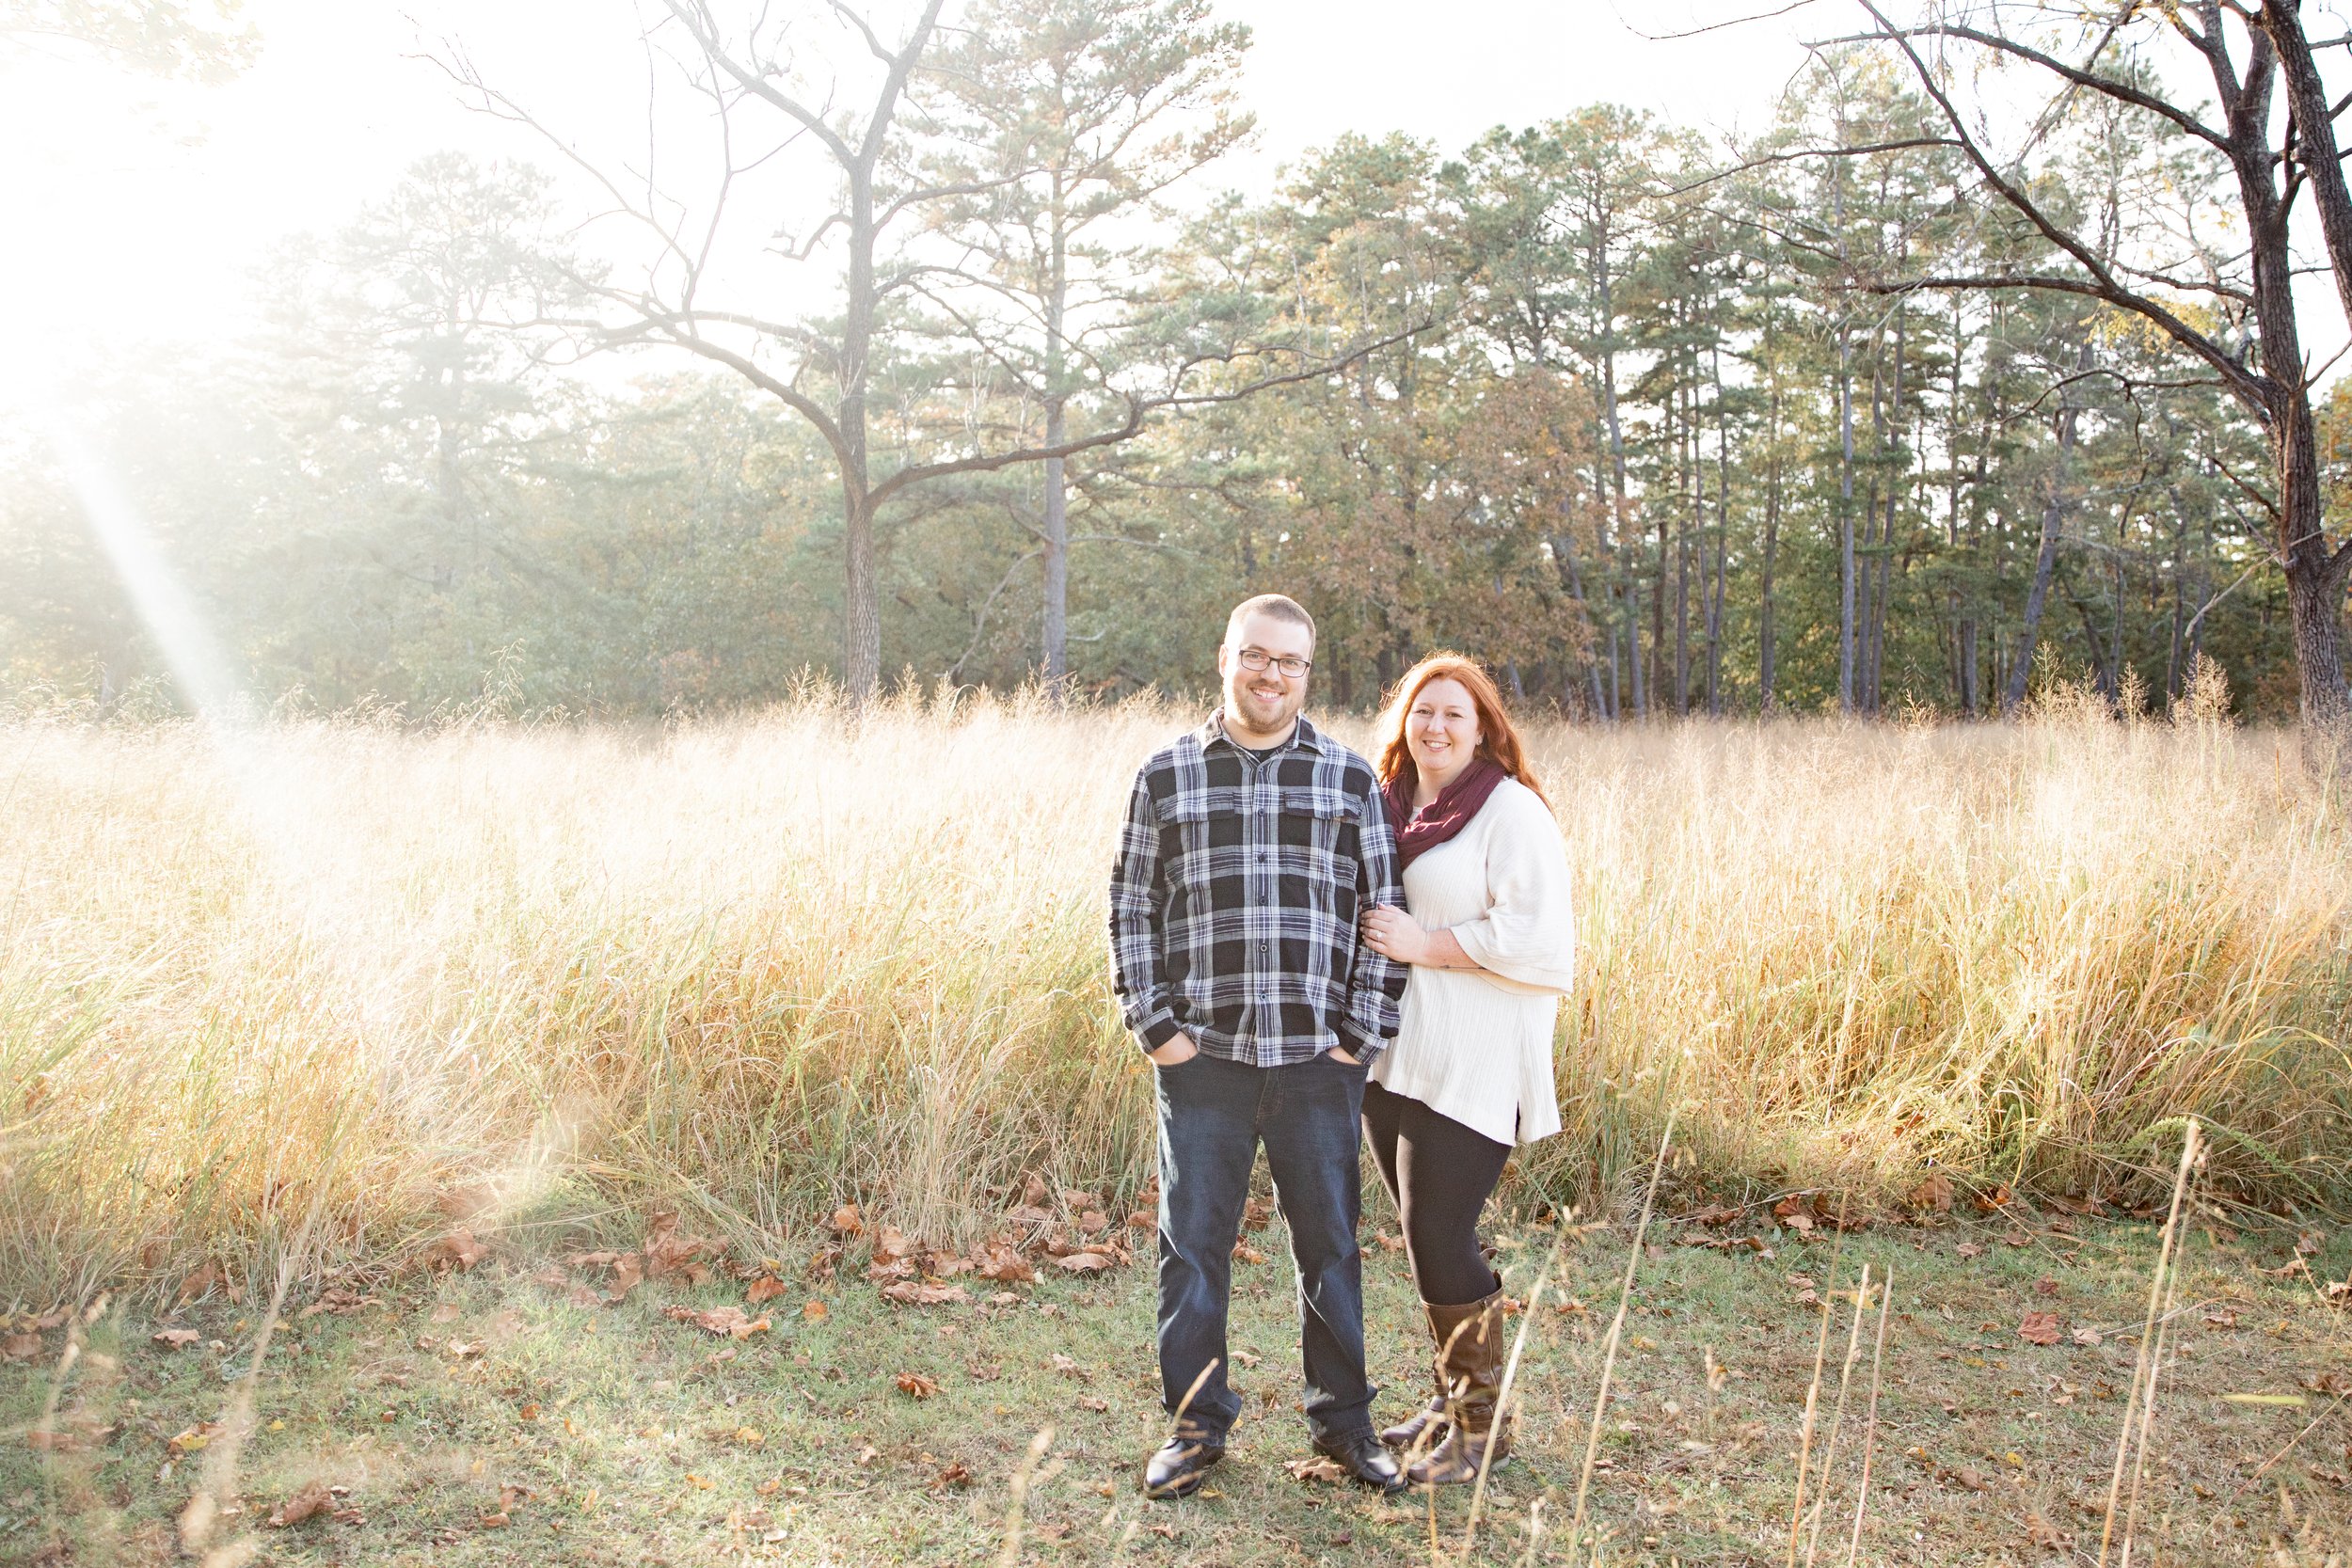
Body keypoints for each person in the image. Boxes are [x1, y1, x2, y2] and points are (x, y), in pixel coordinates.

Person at [1107, 594, 1409, 1499]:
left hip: (1318, 1063)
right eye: (1256, 656)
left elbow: (1382, 918)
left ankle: (1344, 1425)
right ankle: (1197, 1428)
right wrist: (1156, 1031)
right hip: (1204, 1062)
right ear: (1225, 657)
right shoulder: (1166, 775)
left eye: (1290, 662)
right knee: (1191, 1249)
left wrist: (1358, 1036)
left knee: (1331, 1246)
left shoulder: (1349, 778)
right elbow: (1129, 910)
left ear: (1307, 673)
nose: (1271, 674)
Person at [1358, 653, 1575, 1486]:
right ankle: (1455, 1403)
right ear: (1403, 722)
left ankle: (1484, 1430)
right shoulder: (1395, 804)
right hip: (1402, 1048)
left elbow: (1541, 941)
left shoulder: (1509, 812)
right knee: (1423, 1233)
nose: (1436, 726)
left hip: (1479, 1050)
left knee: (1439, 1231)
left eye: (1455, 713)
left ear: (1483, 726)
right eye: (1423, 711)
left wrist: (1424, 945)